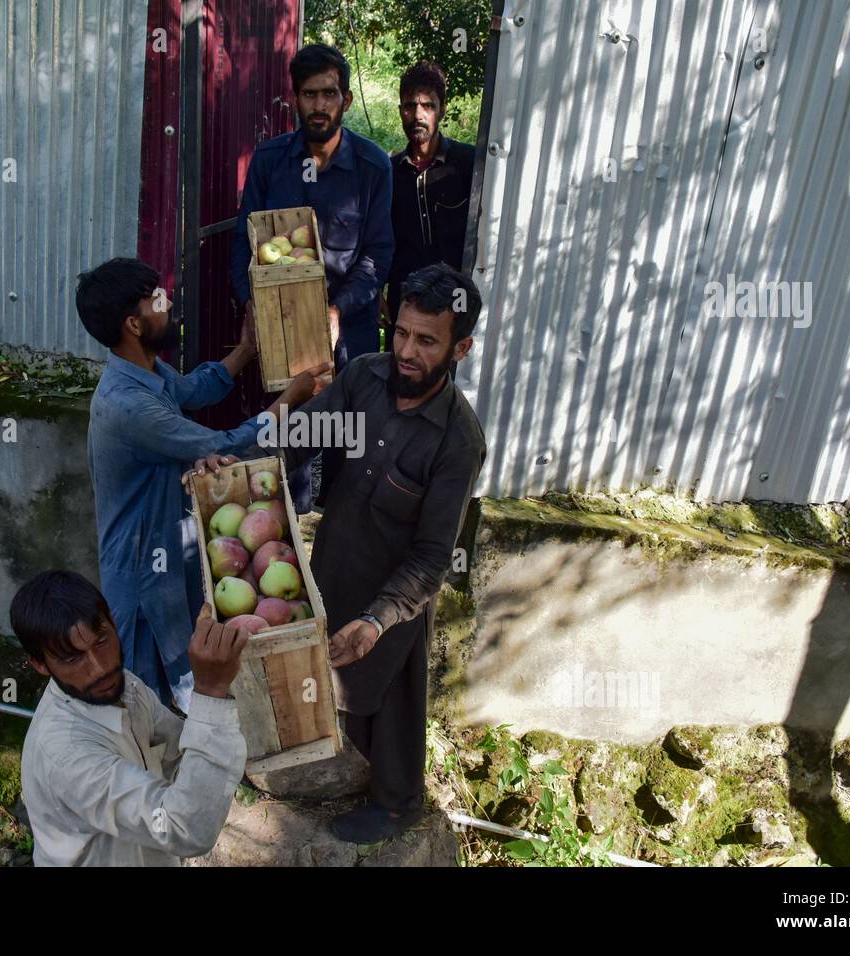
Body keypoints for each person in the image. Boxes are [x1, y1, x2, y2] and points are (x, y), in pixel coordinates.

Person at [195, 262, 486, 843]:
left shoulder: (458, 441)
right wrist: (243, 465)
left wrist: (380, 619)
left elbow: (432, 556)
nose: (406, 350)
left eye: (426, 341)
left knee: (393, 697)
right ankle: (325, 766)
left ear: (461, 349)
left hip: (395, 591)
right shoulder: (365, 380)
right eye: (399, 332)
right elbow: (301, 439)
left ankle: (399, 804)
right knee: (329, 684)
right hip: (329, 564)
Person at [78, 257, 328, 710]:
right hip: (142, 569)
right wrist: (290, 400)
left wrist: (247, 348)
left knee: (186, 668)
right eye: (157, 299)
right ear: (134, 323)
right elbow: (223, 442)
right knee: (146, 692)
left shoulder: (146, 370)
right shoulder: (128, 405)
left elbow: (193, 390)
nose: (168, 302)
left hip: (170, 547)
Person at [230, 43, 394, 513]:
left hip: (351, 330)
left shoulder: (371, 166)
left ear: (344, 97)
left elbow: (379, 254)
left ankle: (337, 544)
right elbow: (244, 241)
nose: (319, 105)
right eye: (309, 94)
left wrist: (338, 309)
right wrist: (250, 303)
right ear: (294, 98)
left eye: (328, 94)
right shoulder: (270, 160)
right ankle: (293, 544)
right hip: (285, 330)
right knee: (290, 445)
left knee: (349, 445)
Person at [13, 570, 249, 866]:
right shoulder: (66, 755)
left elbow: (178, 748)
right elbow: (184, 829)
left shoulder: (124, 685)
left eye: (101, 641)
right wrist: (211, 691)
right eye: (72, 658)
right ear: (39, 665)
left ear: (113, 621)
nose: (99, 668)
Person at [385, 62, 476, 352]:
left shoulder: (468, 165)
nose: (418, 115)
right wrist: (376, 290)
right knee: (401, 381)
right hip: (405, 306)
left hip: (455, 305)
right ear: (401, 110)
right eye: (410, 105)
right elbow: (378, 238)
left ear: (443, 109)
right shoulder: (389, 173)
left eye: (428, 105)